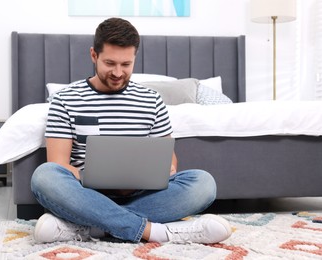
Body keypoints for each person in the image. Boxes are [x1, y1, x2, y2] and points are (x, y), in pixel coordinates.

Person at [31, 17, 232, 244]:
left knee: (203, 183)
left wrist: (165, 170)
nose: (118, 72)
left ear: (134, 58)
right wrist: (94, 178)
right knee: (44, 177)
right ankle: (154, 232)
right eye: (110, 63)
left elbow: (170, 161)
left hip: (141, 193)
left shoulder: (151, 100)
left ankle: (91, 227)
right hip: (86, 193)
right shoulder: (65, 99)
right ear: (94, 55)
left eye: (126, 65)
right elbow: (58, 164)